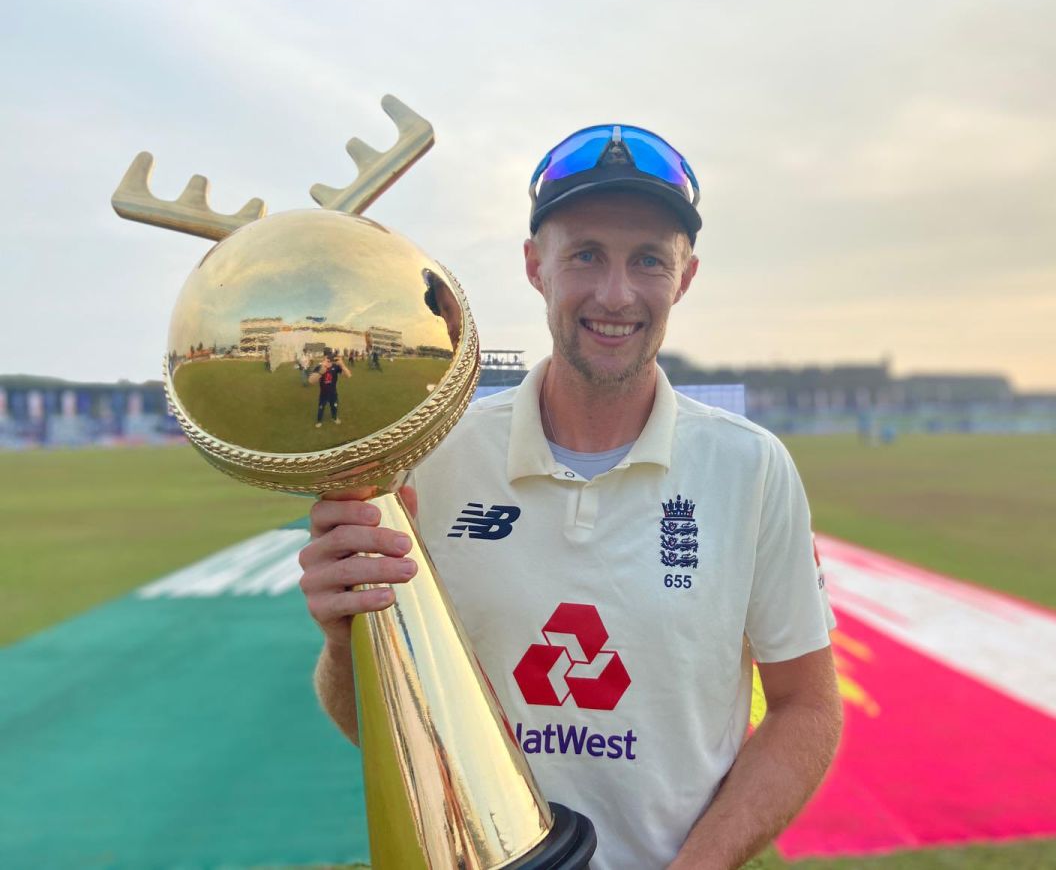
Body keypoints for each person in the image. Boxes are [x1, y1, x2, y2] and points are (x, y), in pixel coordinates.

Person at [298, 124, 842, 869]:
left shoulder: (751, 470)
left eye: (647, 260)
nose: (615, 294)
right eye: (585, 254)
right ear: (535, 267)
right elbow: (383, 718)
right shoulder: (430, 464)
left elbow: (806, 708)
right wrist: (342, 639)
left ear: (683, 278)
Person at [309, 350, 350, 427]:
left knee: (334, 406)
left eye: (330, 358)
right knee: (321, 408)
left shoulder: (335, 367)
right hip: (323, 393)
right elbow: (311, 381)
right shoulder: (319, 367)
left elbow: (348, 375)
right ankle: (319, 421)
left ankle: (334, 418)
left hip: (333, 393)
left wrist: (342, 365)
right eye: (327, 358)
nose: (329, 361)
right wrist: (322, 370)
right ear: (324, 358)